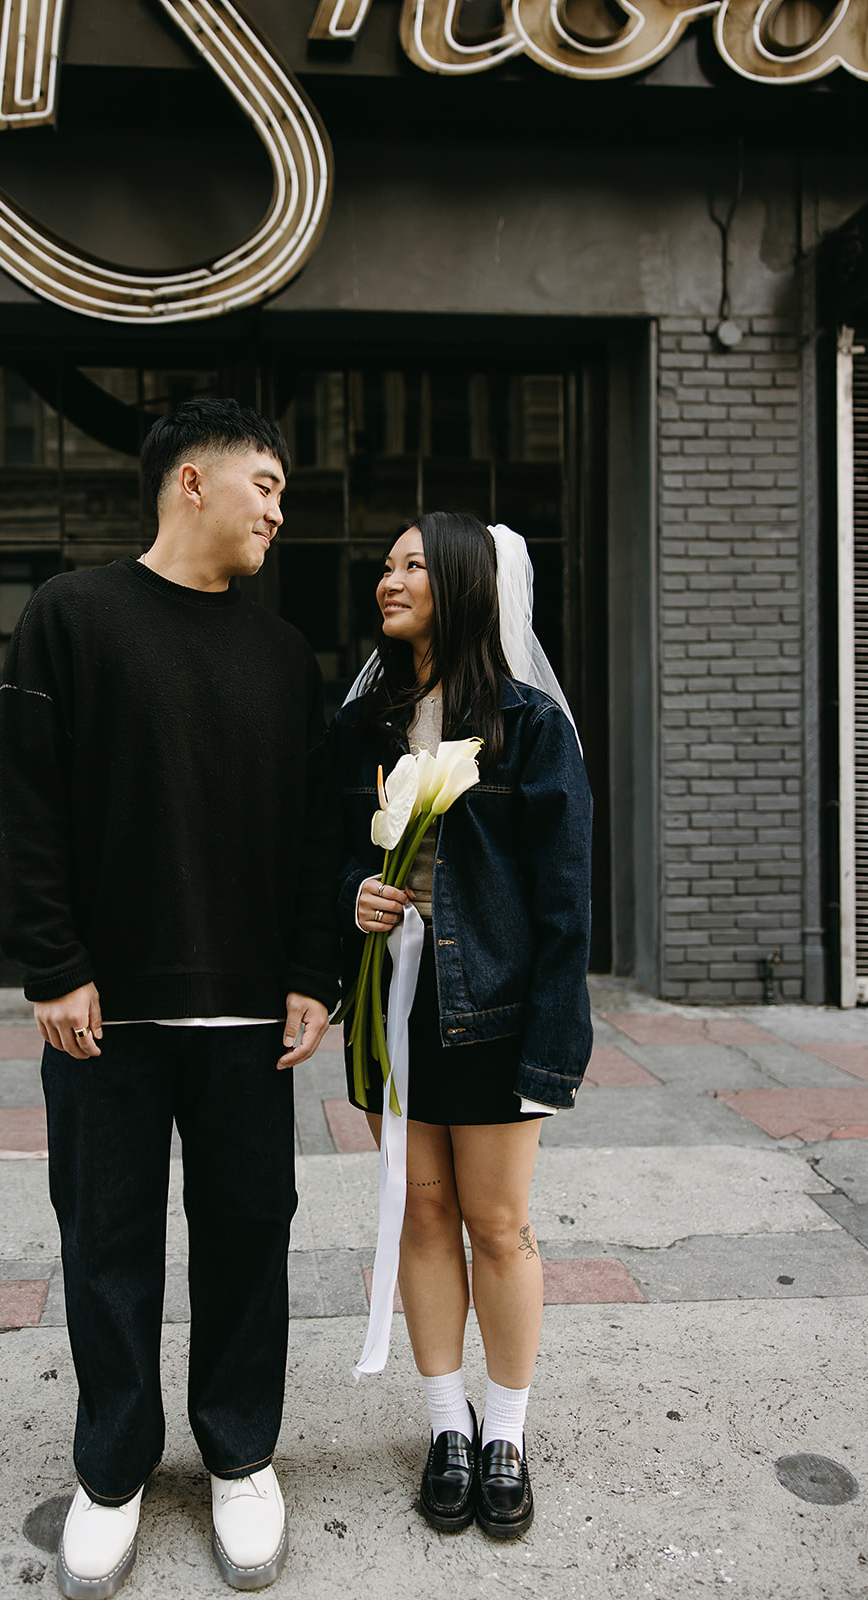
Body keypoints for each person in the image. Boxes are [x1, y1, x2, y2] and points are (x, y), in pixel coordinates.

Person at [0, 398, 340, 1597]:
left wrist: (310, 973)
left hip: (250, 1016)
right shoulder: (69, 619)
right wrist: (51, 961)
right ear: (192, 481)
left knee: (249, 1236)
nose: (278, 514)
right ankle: (113, 1467)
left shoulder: (283, 656)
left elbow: (315, 837)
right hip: (106, 1013)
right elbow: (25, 806)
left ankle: (240, 1450)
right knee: (107, 1246)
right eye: (268, 487)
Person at [327, 511, 592, 1541]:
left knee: (497, 1224)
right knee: (421, 1217)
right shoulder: (362, 724)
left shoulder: (527, 727)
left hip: (494, 1011)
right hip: (396, 1010)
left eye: (408, 565)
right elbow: (323, 850)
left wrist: (549, 1045)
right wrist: (353, 891)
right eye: (385, 565)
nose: (384, 579)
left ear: (463, 584)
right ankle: (445, 1423)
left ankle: (505, 1433)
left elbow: (565, 902)